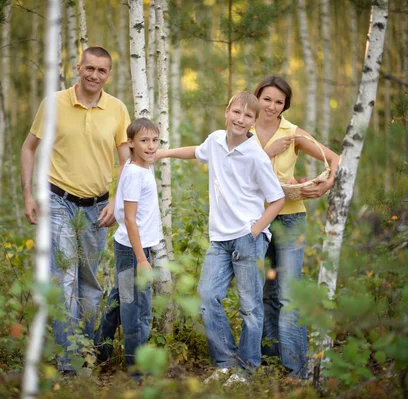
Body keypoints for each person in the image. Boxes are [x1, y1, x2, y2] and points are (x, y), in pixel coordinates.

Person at [155, 92, 286, 385]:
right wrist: (162, 153)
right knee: (207, 297)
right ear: (227, 112)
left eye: (248, 116)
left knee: (249, 307)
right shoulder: (215, 141)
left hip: (247, 238)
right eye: (237, 112)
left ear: (253, 122)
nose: (241, 119)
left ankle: (247, 370)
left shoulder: (256, 155)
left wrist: (254, 231)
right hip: (219, 239)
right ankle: (225, 363)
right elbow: (196, 151)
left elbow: (276, 200)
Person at [20, 46, 131, 373]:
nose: (94, 75)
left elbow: (126, 160)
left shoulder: (117, 109)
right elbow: (29, 148)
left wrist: (116, 200)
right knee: (63, 280)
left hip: (98, 206)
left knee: (90, 285)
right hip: (57, 202)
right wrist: (28, 194)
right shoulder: (53, 103)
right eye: (90, 68)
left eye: (102, 71)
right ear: (78, 67)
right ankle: (69, 364)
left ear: (108, 74)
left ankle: (84, 353)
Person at [252, 76, 340, 378]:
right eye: (267, 99)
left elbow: (335, 158)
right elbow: (233, 167)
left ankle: (296, 373)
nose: (272, 106)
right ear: (257, 98)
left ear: (285, 105)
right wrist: (269, 150)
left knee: (289, 294)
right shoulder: (243, 127)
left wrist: (325, 185)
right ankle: (270, 359)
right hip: (254, 221)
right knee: (265, 293)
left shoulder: (292, 133)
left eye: (279, 102)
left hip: (290, 219)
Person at [94, 118, 161, 378]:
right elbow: (130, 218)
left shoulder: (138, 168)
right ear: (130, 143)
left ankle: (99, 352)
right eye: (144, 141)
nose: (151, 145)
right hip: (134, 252)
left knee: (119, 300)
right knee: (137, 310)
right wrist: (142, 259)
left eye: (155, 140)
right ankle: (137, 372)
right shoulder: (134, 173)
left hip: (129, 248)